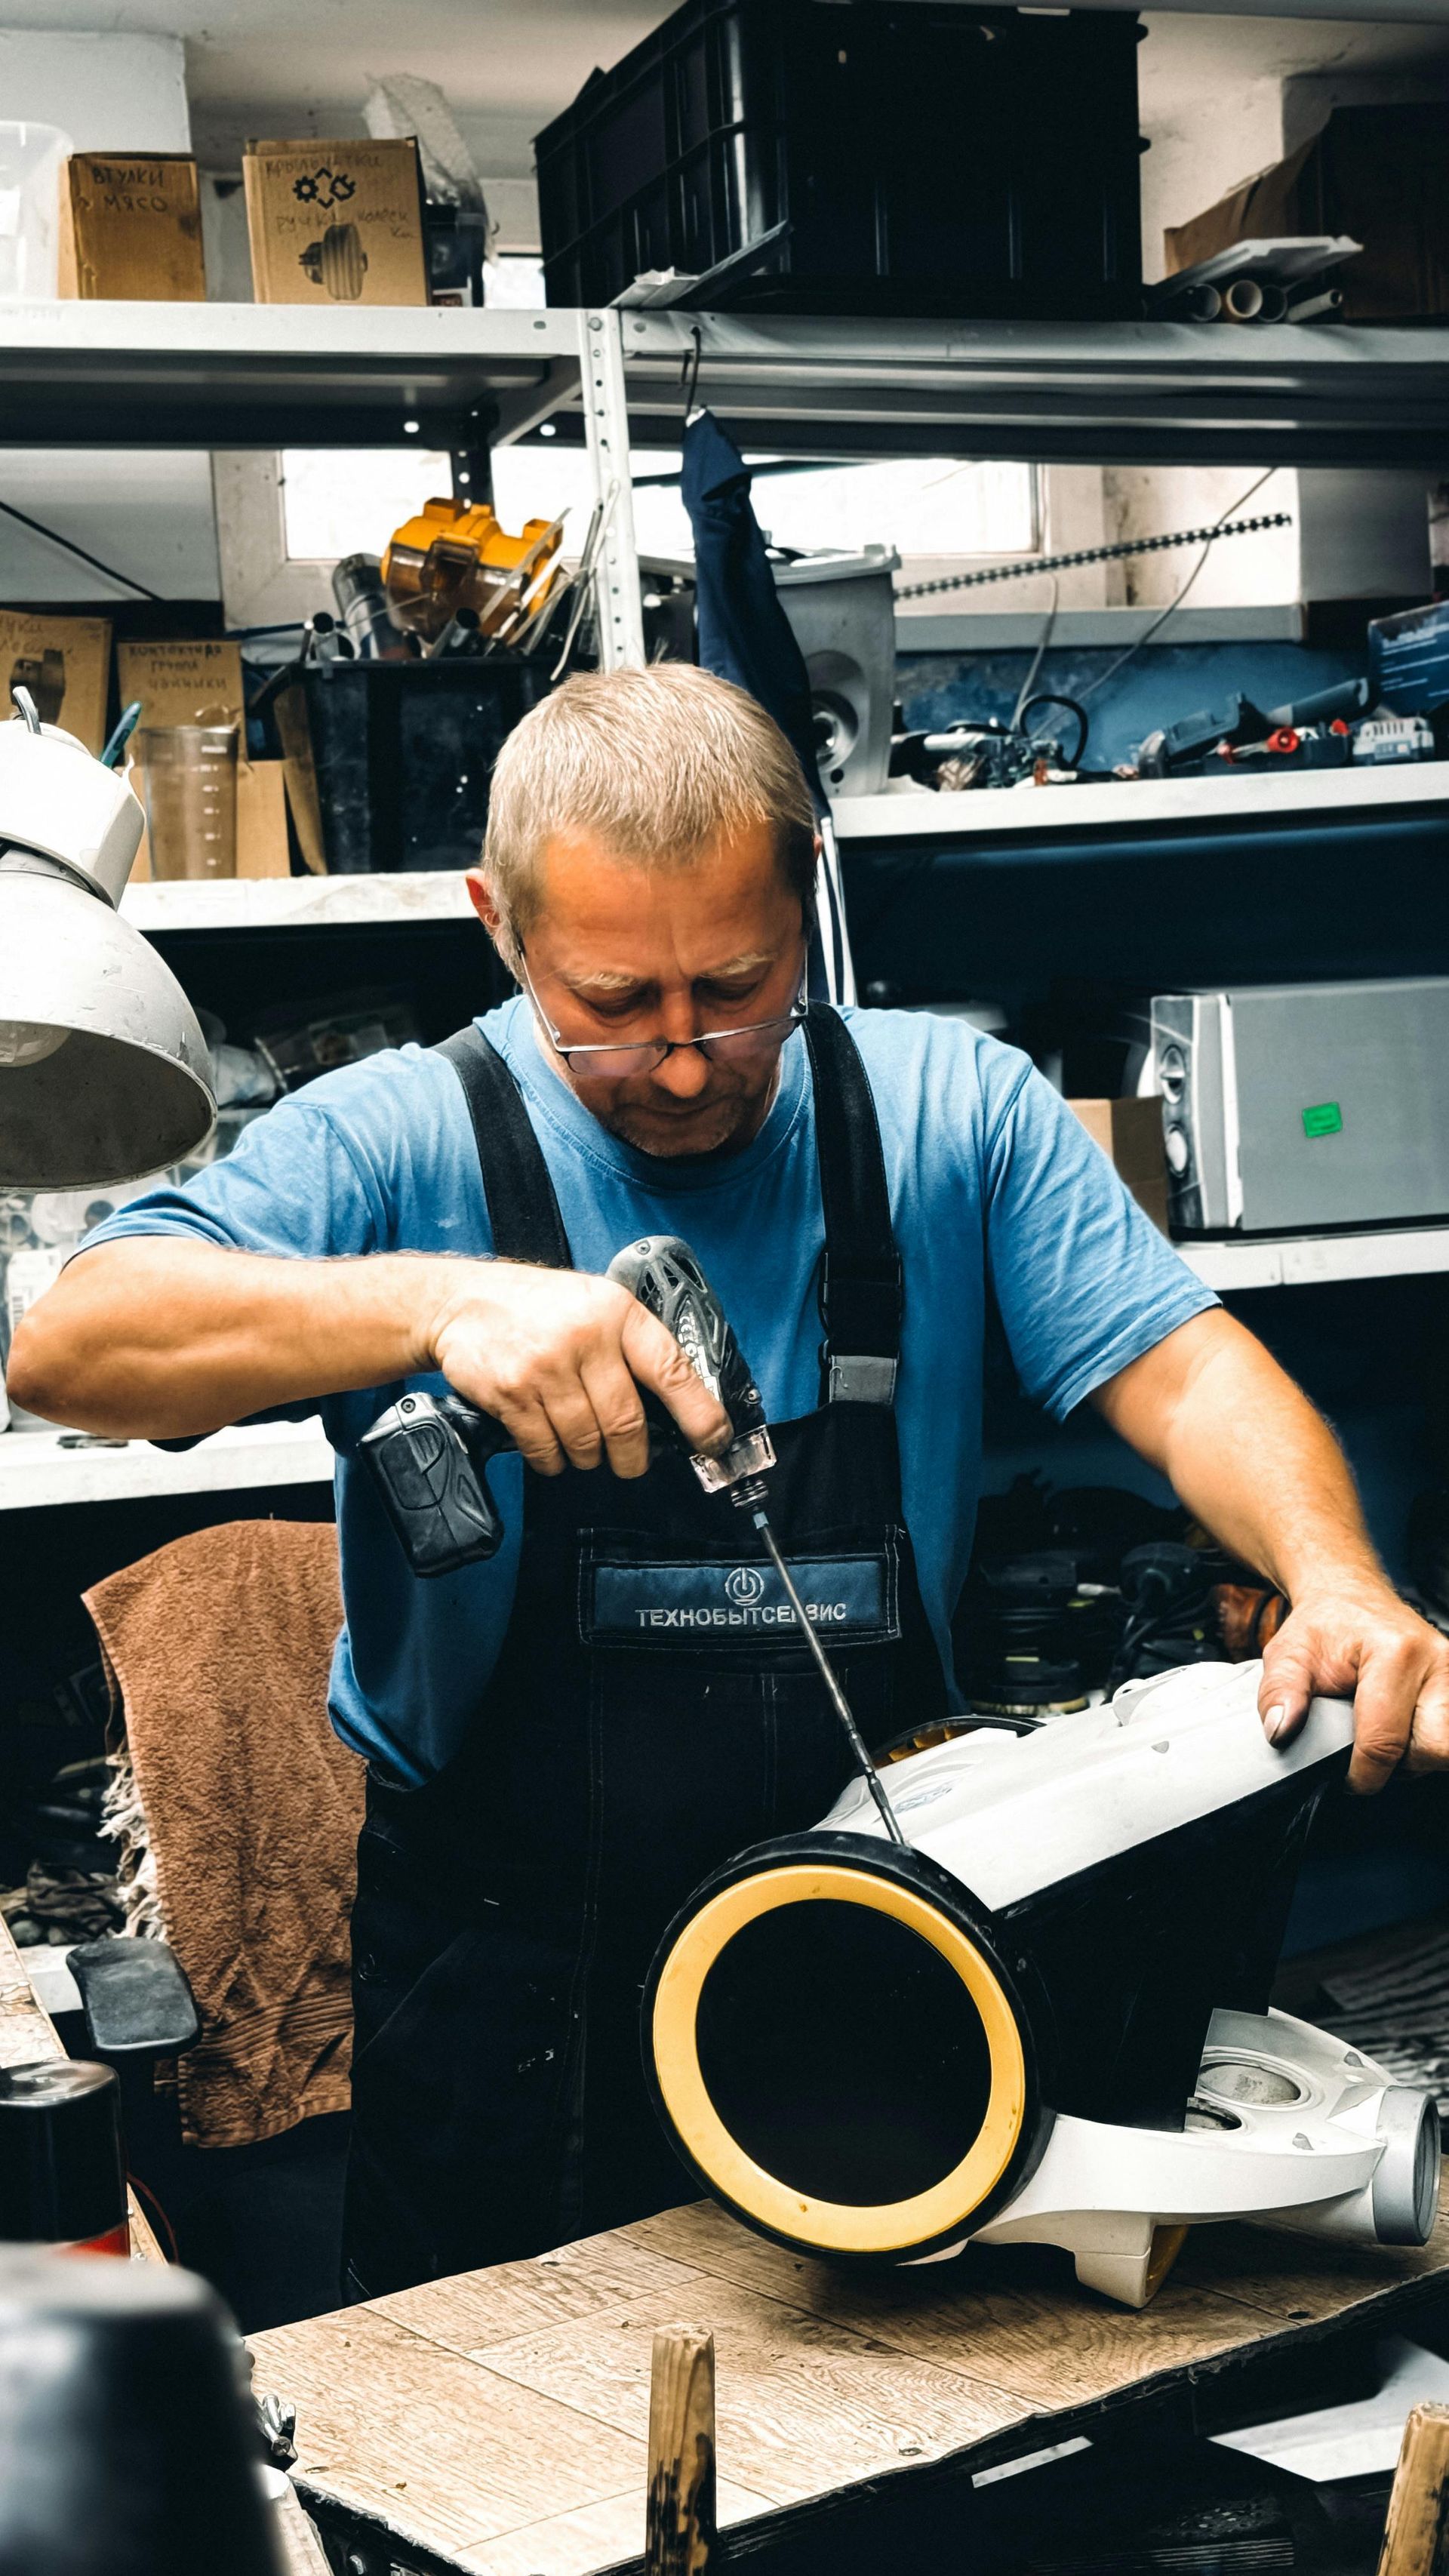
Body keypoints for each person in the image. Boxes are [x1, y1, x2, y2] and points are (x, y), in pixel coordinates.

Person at [11, 664, 1447, 2300]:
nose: (685, 1062)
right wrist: (441, 1302)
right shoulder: (396, 1135)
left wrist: (1339, 1578)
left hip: (884, 1944)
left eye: (736, 987)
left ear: (807, 890)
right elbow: (73, 1348)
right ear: (501, 925)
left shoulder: (950, 1114)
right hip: (504, 1990)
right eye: (614, 1005)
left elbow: (1185, 1370)